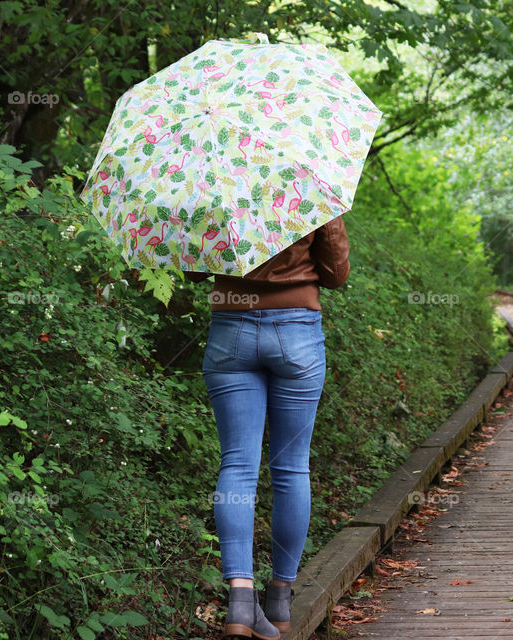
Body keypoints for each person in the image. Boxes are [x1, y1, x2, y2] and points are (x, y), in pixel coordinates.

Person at [185, 216, 350, 639]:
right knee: (291, 467)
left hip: (230, 330)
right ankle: (279, 598)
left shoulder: (214, 180)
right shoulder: (307, 178)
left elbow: (192, 266)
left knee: (237, 464)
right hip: (296, 329)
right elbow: (335, 273)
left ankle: (241, 601)